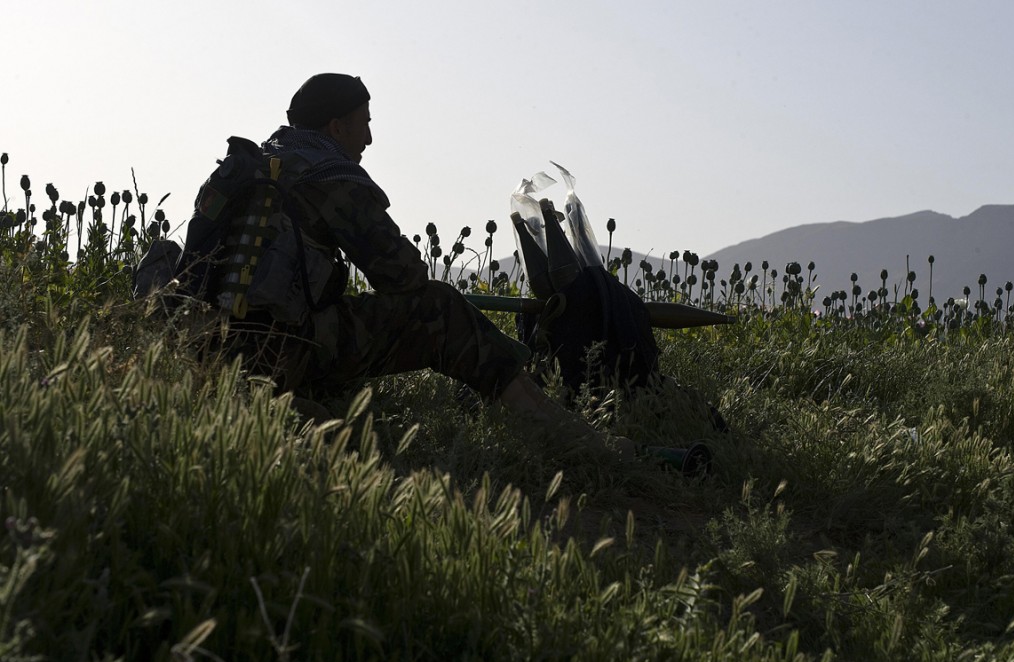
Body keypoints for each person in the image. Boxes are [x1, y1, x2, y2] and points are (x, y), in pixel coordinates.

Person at [207, 72, 705, 470]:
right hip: (282, 353)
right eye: (364, 122)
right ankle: (579, 437)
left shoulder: (248, 168)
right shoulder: (330, 176)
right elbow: (403, 276)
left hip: (213, 349)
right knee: (440, 307)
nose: (370, 137)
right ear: (336, 128)